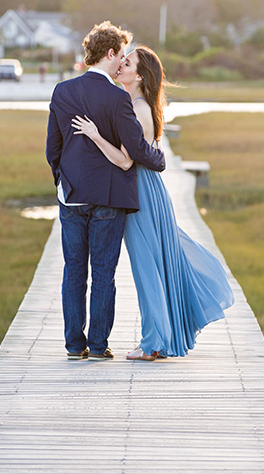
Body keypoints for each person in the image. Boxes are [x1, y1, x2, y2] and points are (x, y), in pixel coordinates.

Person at [70, 45, 234, 360]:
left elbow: (124, 161)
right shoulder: (134, 104)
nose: (120, 66)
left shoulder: (137, 108)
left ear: (140, 75)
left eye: (127, 63)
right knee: (155, 262)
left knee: (147, 266)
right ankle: (157, 337)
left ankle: (154, 342)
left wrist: (93, 135)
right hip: (145, 190)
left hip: (140, 193)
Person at [46, 21, 166, 361]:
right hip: (109, 197)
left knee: (74, 271)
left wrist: (63, 180)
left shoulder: (62, 92)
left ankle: (73, 345)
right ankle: (98, 346)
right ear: (110, 54)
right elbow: (137, 150)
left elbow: (52, 148)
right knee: (103, 274)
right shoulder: (118, 98)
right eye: (122, 55)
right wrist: (160, 159)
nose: (123, 62)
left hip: (71, 195)